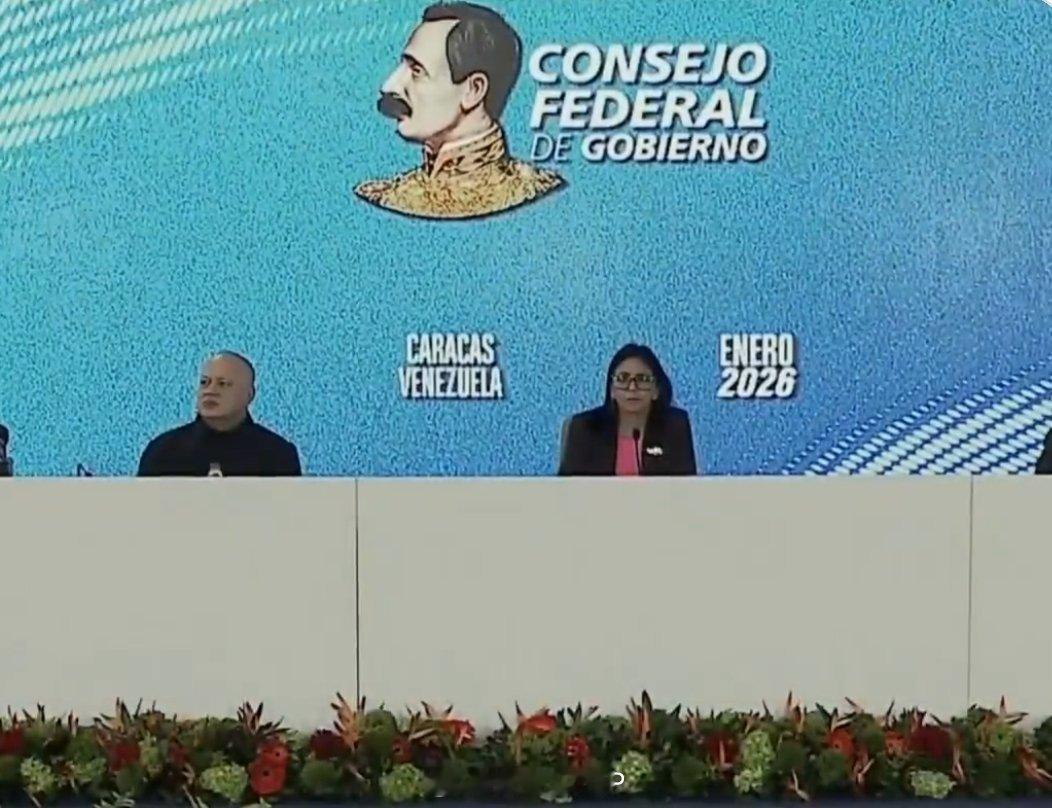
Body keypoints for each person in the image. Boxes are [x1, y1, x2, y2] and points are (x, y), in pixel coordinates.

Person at [355, 2, 563, 220]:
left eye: (416, 70)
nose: (389, 86)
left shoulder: (534, 191)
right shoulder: (386, 196)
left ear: (474, 90)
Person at [138, 352, 301, 477]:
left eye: (223, 384)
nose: (210, 391)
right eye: (204, 382)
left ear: (249, 395)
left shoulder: (278, 454)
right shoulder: (163, 451)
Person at [558, 344, 697, 476]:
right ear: (611, 390)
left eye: (642, 379)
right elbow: (566, 487)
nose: (632, 388)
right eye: (623, 378)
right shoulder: (585, 428)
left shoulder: (675, 427)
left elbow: (687, 485)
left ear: (656, 390)